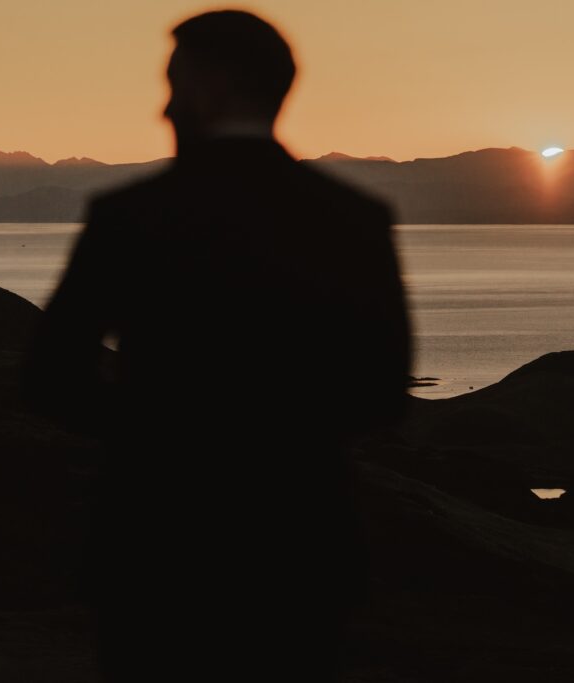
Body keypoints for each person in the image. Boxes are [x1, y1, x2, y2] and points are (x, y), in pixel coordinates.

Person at [24, 10, 410, 681]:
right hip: (301, 546)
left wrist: (156, 426)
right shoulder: (352, 220)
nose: (164, 103)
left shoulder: (129, 216)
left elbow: (50, 376)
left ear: (212, 87)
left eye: (174, 81)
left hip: (153, 545)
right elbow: (381, 391)